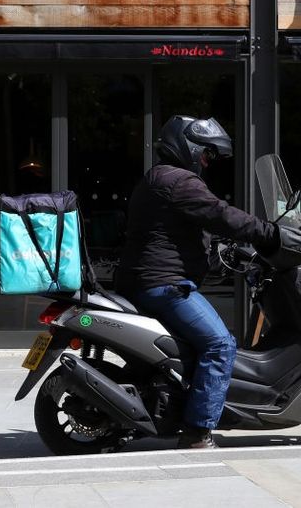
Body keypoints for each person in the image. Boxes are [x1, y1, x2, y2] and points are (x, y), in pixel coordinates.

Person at [116, 115, 278, 450]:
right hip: (165, 284)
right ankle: (198, 431)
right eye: (206, 154)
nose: (207, 161)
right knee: (220, 345)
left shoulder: (155, 178)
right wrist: (271, 233)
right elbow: (221, 215)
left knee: (193, 345)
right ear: (188, 147)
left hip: (141, 280)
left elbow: (178, 228)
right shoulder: (181, 182)